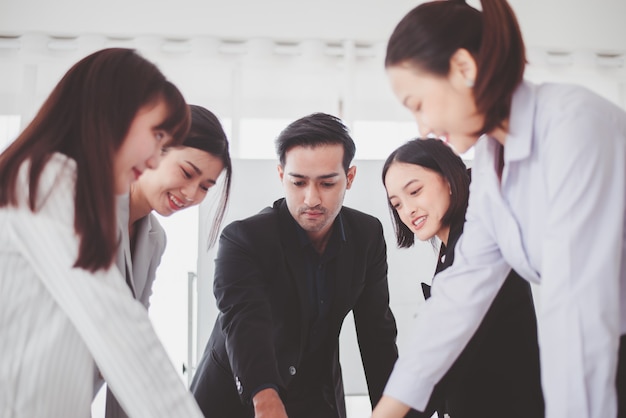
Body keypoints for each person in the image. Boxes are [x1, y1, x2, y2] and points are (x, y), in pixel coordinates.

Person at [372, 1, 626, 417]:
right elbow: (459, 294)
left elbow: (576, 314)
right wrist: (387, 411)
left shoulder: (573, 128)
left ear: (464, 68)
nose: (422, 127)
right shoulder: (492, 161)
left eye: (418, 103)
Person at [0, 48, 204, 417]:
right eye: (157, 135)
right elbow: (116, 324)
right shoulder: (46, 179)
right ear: (113, 115)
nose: (157, 160)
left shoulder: (73, 193)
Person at [190, 112, 400, 418]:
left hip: (318, 395)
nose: (311, 198)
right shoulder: (244, 239)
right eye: (298, 182)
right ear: (280, 175)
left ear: (350, 178)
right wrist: (264, 398)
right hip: (239, 397)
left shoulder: (366, 236)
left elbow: (376, 333)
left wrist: (396, 411)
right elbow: (244, 321)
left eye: (327, 183)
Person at [382, 138, 544, 417]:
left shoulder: (475, 244)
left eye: (415, 191)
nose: (407, 210)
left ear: (449, 179)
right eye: (397, 204)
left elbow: (440, 354)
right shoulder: (452, 247)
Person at [102, 104, 232, 417]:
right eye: (187, 172)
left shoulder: (154, 239)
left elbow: (133, 343)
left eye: (205, 187)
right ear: (153, 151)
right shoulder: (90, 214)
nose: (191, 194)